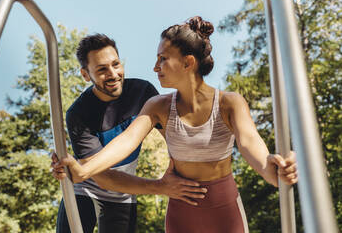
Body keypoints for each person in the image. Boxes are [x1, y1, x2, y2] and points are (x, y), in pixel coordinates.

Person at [53, 17, 298, 233]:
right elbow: (127, 141)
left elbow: (249, 142)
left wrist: (271, 171)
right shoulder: (155, 106)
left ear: (187, 62)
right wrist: (83, 170)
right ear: (87, 74)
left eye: (162, 59)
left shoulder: (228, 102)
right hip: (165, 207)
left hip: (222, 208)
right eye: (102, 69)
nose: (155, 67)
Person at [53, 33, 207, 233]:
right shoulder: (78, 114)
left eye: (115, 64)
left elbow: (175, 139)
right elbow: (102, 177)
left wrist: (190, 174)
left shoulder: (142, 92)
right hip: (86, 188)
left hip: (123, 193)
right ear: (85, 74)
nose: (113, 74)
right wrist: (160, 186)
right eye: (101, 69)